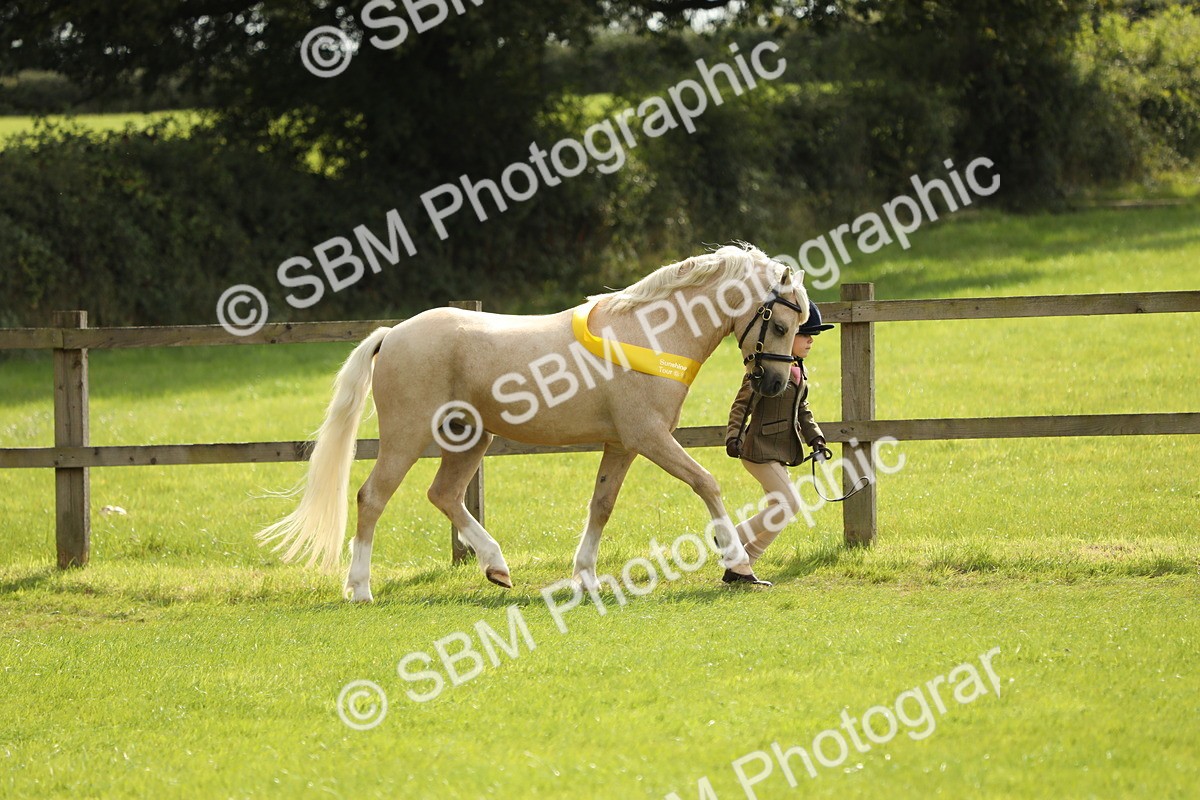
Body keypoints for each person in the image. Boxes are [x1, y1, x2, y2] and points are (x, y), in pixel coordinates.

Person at [722, 300, 834, 586]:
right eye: (806, 334)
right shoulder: (765, 369)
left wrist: (817, 439)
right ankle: (732, 538)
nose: (810, 341)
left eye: (813, 336)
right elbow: (741, 405)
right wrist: (733, 435)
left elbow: (803, 411)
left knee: (780, 511)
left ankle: (741, 566)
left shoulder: (799, 370)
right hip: (758, 448)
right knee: (790, 505)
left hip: (780, 450)